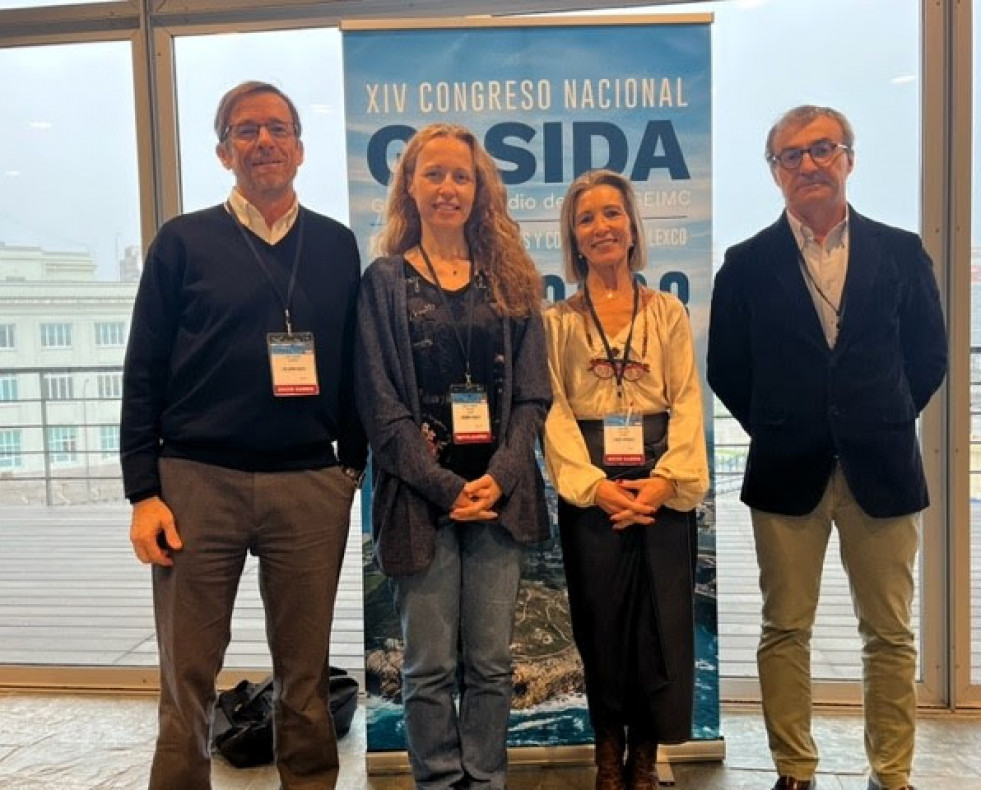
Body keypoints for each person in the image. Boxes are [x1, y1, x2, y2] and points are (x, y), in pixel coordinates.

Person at [121, 81, 366, 789]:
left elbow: (353, 365)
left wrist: (348, 468)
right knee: (188, 676)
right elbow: (143, 372)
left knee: (304, 674)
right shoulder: (182, 242)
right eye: (247, 130)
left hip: (308, 486)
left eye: (278, 129)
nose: (265, 141)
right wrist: (144, 490)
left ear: (299, 147)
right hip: (197, 482)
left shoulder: (334, 244)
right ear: (224, 150)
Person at [707, 105, 947, 790]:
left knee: (890, 633)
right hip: (786, 472)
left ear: (848, 157)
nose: (807, 164)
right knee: (785, 627)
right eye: (790, 155)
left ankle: (891, 772)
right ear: (774, 172)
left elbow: (927, 355)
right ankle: (793, 769)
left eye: (821, 149)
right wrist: (781, 426)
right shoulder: (746, 264)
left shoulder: (900, 252)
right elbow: (727, 367)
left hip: (884, 469)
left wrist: (882, 417)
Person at [355, 122, 551, 790]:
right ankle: (439, 782)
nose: (447, 188)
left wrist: (498, 478)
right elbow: (381, 406)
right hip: (421, 501)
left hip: (499, 501)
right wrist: (443, 485)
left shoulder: (513, 278)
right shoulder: (381, 282)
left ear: (480, 189)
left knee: (492, 665)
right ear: (409, 185)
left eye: (460, 176)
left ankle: (485, 780)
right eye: (432, 174)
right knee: (428, 668)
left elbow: (532, 396)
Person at [543, 169, 709, 790]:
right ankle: (606, 754)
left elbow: (689, 400)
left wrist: (666, 482)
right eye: (587, 219)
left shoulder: (666, 312)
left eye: (612, 214)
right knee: (601, 625)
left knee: (659, 625)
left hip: (661, 478)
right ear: (574, 238)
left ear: (633, 228)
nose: (601, 227)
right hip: (594, 486)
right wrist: (593, 486)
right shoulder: (557, 322)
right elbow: (554, 410)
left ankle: (645, 755)